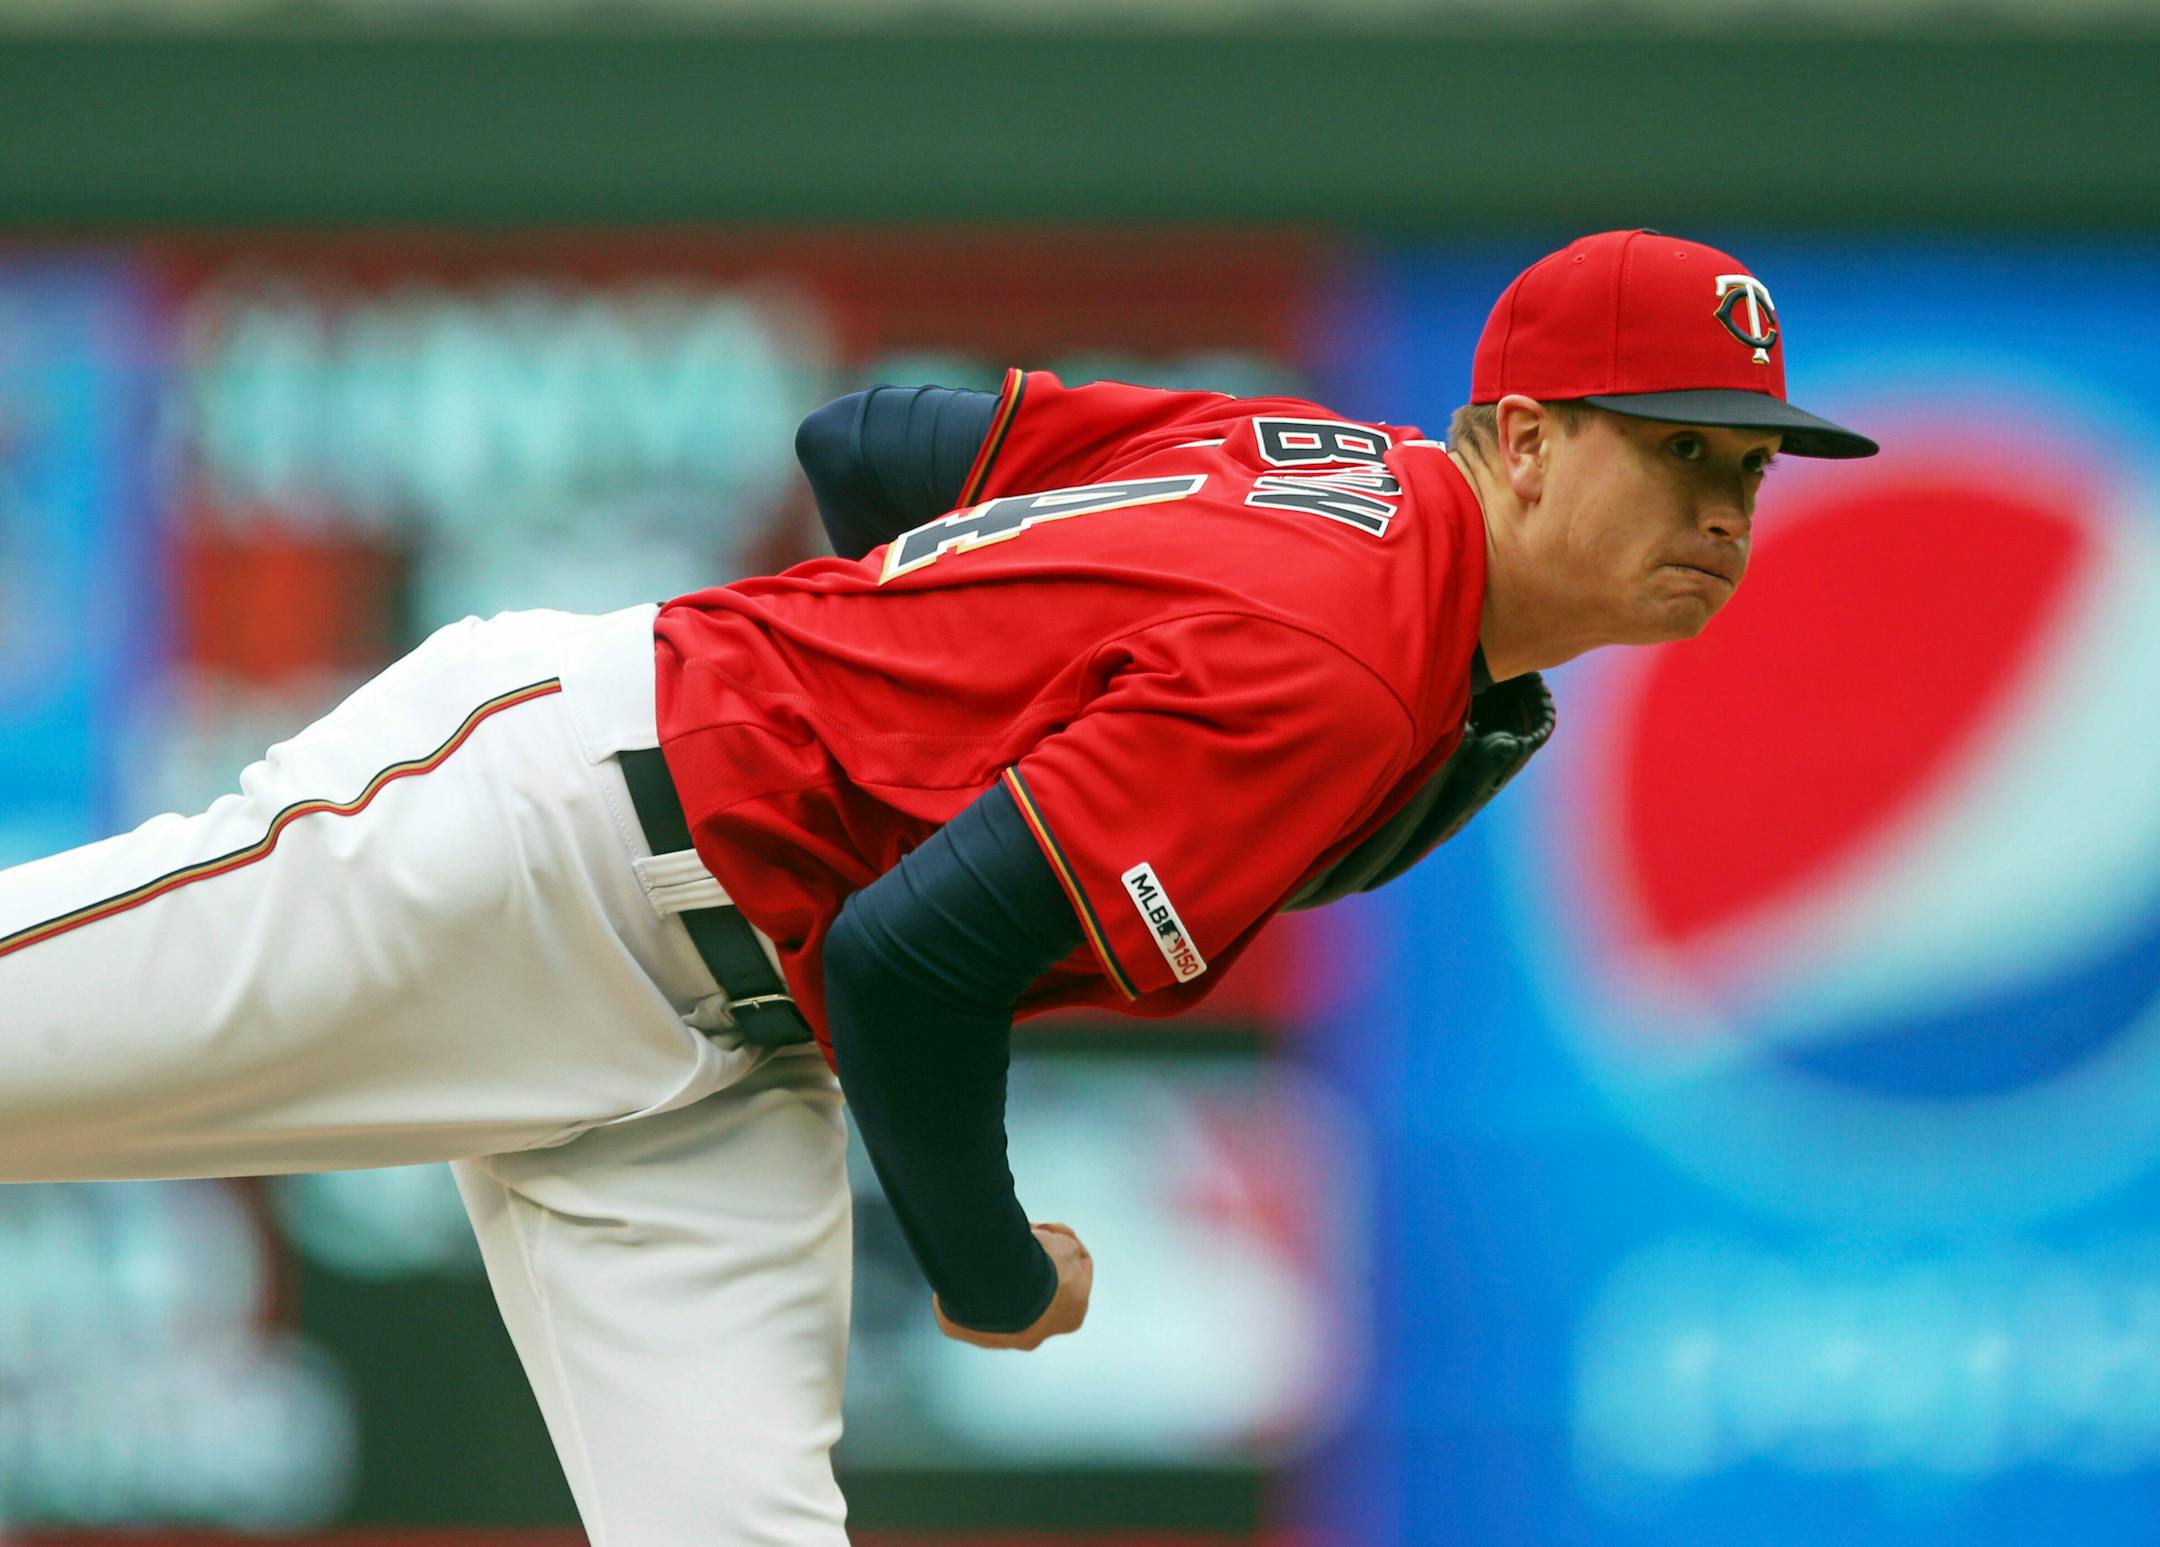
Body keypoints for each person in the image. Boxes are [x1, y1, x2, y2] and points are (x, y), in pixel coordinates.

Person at [0, 229, 1874, 1544]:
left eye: (1755, 466)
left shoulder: (1329, 468)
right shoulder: (1353, 655)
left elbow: (875, 442)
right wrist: (987, 1270)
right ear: (1527, 440)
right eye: (1678, 448)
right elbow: (914, 964)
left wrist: (926, 683)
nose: (1726, 507)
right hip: (543, 842)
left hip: (721, 1057)